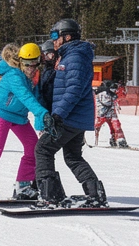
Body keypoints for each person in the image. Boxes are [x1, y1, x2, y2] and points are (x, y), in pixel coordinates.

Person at [34, 19, 107, 207]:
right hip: (75, 116)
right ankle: (95, 194)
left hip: (70, 116)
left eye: (54, 36)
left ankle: (50, 196)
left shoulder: (75, 57)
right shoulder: (71, 55)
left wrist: (58, 115)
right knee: (72, 156)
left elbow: (73, 89)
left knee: (43, 149)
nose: (53, 41)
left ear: (66, 37)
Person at [0, 43, 51, 201]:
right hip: (0, 113)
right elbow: (25, 96)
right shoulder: (14, 75)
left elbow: (37, 97)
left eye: (35, 64)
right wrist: (41, 113)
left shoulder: (33, 75)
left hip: (18, 116)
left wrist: (43, 120)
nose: (31, 68)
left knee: (33, 148)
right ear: (20, 61)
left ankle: (23, 185)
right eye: (28, 65)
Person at [93, 80, 129, 148]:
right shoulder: (101, 94)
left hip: (111, 113)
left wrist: (120, 89)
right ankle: (85, 137)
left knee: (116, 126)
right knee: (96, 126)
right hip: (102, 114)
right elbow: (105, 101)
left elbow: (121, 96)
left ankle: (119, 139)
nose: (115, 91)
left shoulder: (112, 94)